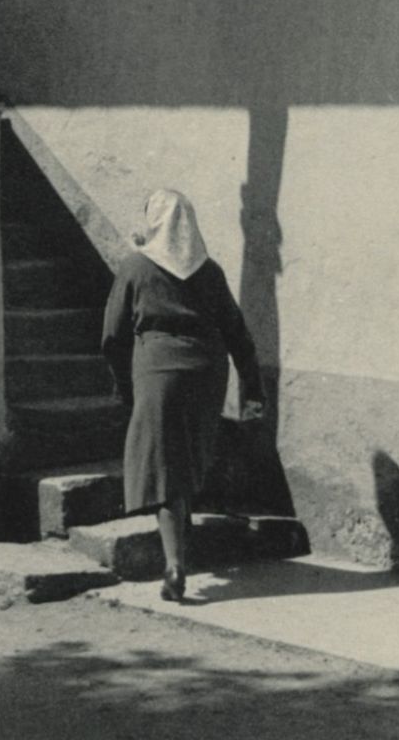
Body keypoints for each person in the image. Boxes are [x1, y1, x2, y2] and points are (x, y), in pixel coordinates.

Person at [101, 189, 264, 603]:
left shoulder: (136, 267)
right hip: (208, 373)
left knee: (165, 469)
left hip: (159, 373)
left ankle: (175, 565)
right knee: (187, 457)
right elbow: (238, 335)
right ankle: (180, 544)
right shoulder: (210, 272)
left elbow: (113, 336)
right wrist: (253, 391)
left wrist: (125, 387)